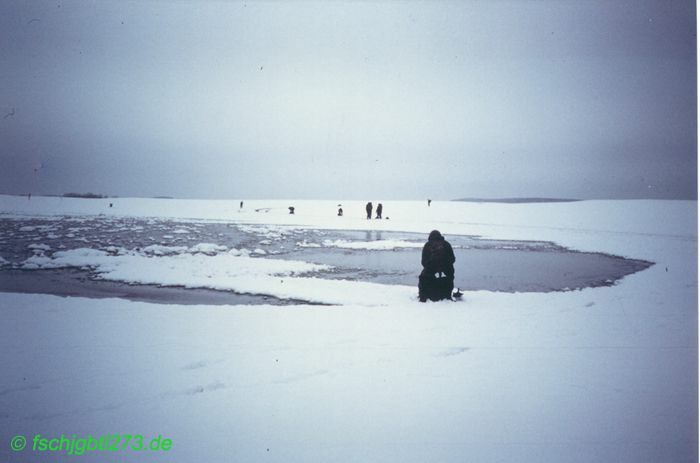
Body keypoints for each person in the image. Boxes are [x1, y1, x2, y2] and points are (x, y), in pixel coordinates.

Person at [418, 230, 456, 302]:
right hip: (445, 268)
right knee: (449, 276)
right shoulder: (447, 244)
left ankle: (423, 297)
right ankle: (447, 295)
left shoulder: (427, 245)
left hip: (436, 268)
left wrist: (433, 266)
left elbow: (423, 262)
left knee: (423, 278)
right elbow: (453, 259)